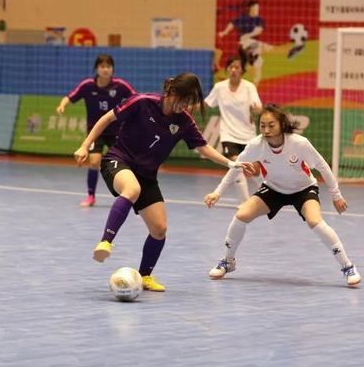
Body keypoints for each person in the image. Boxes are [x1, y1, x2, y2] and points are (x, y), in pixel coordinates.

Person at [73, 73, 255, 292]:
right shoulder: (142, 102)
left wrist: (231, 163)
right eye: (184, 100)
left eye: (190, 102)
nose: (186, 106)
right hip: (119, 161)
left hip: (147, 175)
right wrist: (85, 145)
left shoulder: (184, 121)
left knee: (159, 229)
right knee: (132, 189)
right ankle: (105, 242)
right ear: (171, 92)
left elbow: (204, 147)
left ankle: (145, 276)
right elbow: (107, 118)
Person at [204, 104, 362, 287]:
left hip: (303, 189)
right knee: (241, 215)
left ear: (282, 124)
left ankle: (347, 266)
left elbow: (323, 167)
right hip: (273, 188)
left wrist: (336, 195)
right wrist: (217, 192)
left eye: (271, 125)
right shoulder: (256, 145)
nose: (266, 130)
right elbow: (235, 168)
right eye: (262, 126)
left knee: (315, 221)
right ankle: (228, 261)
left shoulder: (299, 143)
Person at [58, 54, 136, 206]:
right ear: (97, 68)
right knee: (94, 161)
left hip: (116, 131)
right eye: (102, 66)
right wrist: (62, 105)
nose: (105, 69)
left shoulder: (121, 85)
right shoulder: (87, 85)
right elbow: (69, 97)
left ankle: (129, 194)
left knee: (124, 163)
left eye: (108, 66)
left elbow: (136, 98)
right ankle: (91, 196)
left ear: (112, 69)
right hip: (96, 132)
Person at [204, 56, 263, 201]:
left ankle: (272, 193)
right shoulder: (219, 87)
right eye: (231, 67)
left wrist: (256, 109)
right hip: (228, 135)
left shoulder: (249, 87)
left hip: (248, 135)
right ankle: (245, 202)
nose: (234, 70)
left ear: (242, 70)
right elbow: (207, 103)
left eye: (237, 67)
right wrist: (190, 106)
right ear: (227, 70)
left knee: (255, 170)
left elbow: (258, 109)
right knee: (237, 167)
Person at [217, 0, 270, 86]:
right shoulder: (243, 18)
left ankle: (231, 80)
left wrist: (248, 35)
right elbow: (232, 24)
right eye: (255, 8)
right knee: (258, 59)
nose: (257, 9)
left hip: (251, 42)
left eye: (258, 8)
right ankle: (252, 81)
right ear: (250, 8)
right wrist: (224, 32)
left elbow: (258, 30)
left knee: (250, 64)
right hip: (245, 43)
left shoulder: (258, 20)